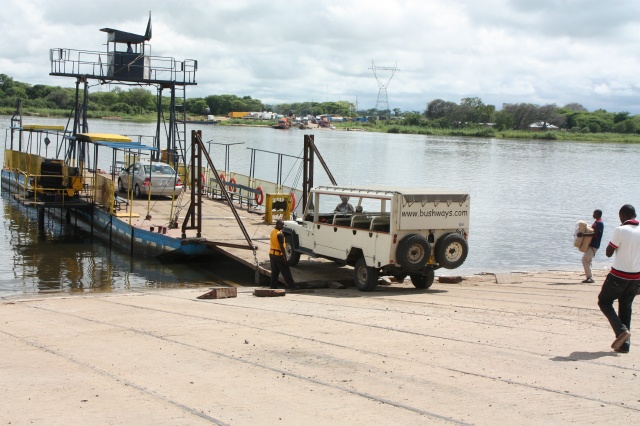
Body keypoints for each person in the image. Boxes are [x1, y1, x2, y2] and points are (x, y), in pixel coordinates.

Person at [598, 204, 640, 353]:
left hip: (619, 276)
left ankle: (621, 331)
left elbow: (609, 252)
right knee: (626, 307)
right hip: (636, 278)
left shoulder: (620, 230)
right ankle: (624, 345)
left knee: (604, 301)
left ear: (622, 216)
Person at [269, 219, 297, 289]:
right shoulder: (280, 234)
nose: (283, 226)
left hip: (272, 254)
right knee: (286, 271)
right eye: (282, 225)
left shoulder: (272, 232)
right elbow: (282, 247)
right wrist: (285, 258)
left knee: (274, 272)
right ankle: (292, 286)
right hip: (278, 255)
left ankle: (273, 286)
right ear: (278, 224)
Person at [577, 209, 604, 283]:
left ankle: (590, 277)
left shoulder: (599, 223)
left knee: (585, 260)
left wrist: (583, 234)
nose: (593, 215)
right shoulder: (597, 222)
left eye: (594, 213)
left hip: (594, 245)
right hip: (592, 245)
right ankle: (590, 277)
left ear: (598, 214)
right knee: (588, 260)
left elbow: (595, 234)